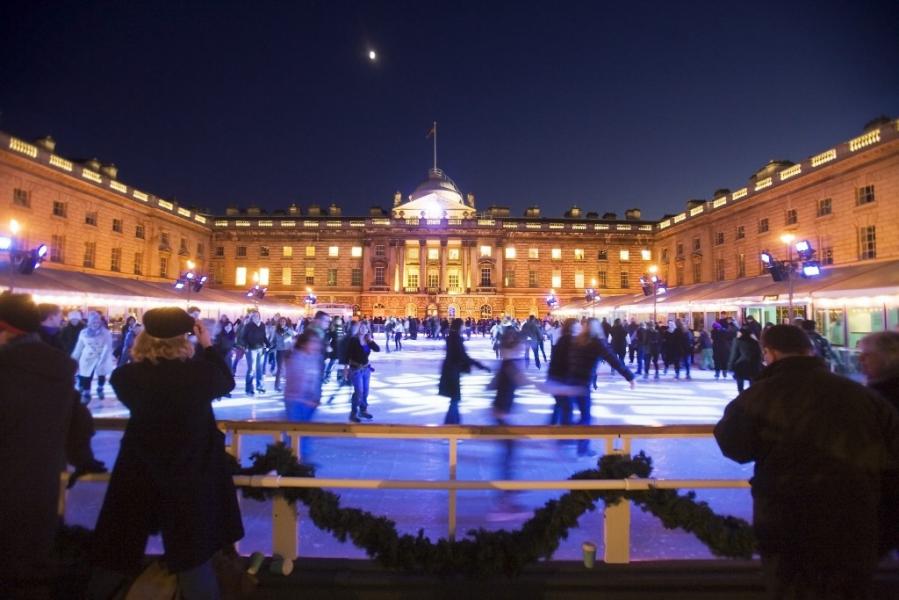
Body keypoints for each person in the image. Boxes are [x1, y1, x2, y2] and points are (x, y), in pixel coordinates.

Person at [714, 325, 899, 599]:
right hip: (854, 513)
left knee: (791, 586)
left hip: (786, 514)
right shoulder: (862, 395)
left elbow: (735, 447)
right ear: (810, 350)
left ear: (769, 353)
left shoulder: (758, 396)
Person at [89, 308, 242, 599]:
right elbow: (226, 381)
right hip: (190, 471)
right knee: (193, 556)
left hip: (140, 469)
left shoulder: (125, 377)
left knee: (117, 551)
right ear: (184, 339)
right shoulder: (200, 375)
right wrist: (207, 345)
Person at [0, 294, 105, 596]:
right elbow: (78, 419)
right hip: (42, 480)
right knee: (32, 563)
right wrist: (82, 458)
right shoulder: (58, 367)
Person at [567, 318, 635, 456]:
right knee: (586, 417)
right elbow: (614, 361)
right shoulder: (597, 343)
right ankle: (582, 448)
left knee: (579, 415)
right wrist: (630, 377)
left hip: (570, 381)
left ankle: (571, 433)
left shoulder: (577, 341)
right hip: (582, 384)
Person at [858, 331, 899, 557]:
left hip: (884, 491)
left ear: (889, 357)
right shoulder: (873, 394)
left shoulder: (877, 399)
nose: (861, 360)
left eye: (867, 355)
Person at [439, 318, 490, 424]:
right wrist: (481, 366)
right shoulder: (456, 339)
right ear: (459, 326)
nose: (463, 328)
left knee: (454, 399)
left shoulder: (452, 338)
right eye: (462, 326)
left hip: (450, 370)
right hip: (452, 372)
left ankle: (452, 423)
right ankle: (451, 425)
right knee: (455, 398)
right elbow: (463, 356)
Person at [283, 331, 324, 460]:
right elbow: (296, 382)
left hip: (309, 402)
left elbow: (316, 380)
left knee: (305, 431)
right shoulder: (296, 359)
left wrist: (316, 396)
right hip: (296, 401)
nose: (316, 345)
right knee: (296, 431)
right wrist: (306, 399)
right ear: (304, 344)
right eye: (313, 342)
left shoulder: (314, 358)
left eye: (317, 342)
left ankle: (302, 458)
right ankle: (294, 458)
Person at [71, 311, 115, 403]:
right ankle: (86, 392)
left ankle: (100, 387)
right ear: (89, 323)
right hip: (87, 357)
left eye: (97, 322)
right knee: (86, 375)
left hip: (101, 356)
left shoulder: (105, 332)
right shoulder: (84, 332)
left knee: (101, 374)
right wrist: (73, 359)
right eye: (93, 322)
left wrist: (104, 357)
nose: (95, 324)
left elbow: (108, 346)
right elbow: (79, 347)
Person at [346, 321, 380, 422]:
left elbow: (377, 349)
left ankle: (363, 410)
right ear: (358, 329)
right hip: (355, 369)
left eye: (365, 328)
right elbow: (347, 355)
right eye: (361, 327)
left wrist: (370, 341)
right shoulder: (353, 340)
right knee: (359, 392)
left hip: (366, 369)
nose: (363, 329)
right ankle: (353, 413)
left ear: (367, 329)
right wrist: (345, 368)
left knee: (365, 391)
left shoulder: (367, 340)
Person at [238, 310, 268, 395]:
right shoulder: (248, 325)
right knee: (251, 369)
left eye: (257, 315)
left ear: (259, 316)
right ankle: (249, 389)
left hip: (260, 349)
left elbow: (264, 336)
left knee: (259, 369)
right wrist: (246, 346)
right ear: (252, 317)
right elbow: (243, 337)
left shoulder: (262, 325)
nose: (256, 316)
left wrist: (268, 344)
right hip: (251, 350)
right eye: (254, 315)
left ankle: (260, 386)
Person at [728, 326, 763, 392]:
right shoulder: (755, 342)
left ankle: (741, 396)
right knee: (752, 386)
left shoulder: (737, 341)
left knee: (740, 386)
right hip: (753, 366)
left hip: (740, 365)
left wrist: (730, 366)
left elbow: (734, 354)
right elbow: (758, 355)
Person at [270, 316, 296, 392]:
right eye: (281, 321)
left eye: (284, 321)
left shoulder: (289, 329)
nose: (282, 323)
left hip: (288, 351)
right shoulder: (276, 330)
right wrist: (270, 347)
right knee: (280, 369)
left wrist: (286, 328)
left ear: (286, 322)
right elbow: (273, 340)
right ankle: (277, 386)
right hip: (280, 351)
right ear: (279, 322)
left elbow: (293, 334)